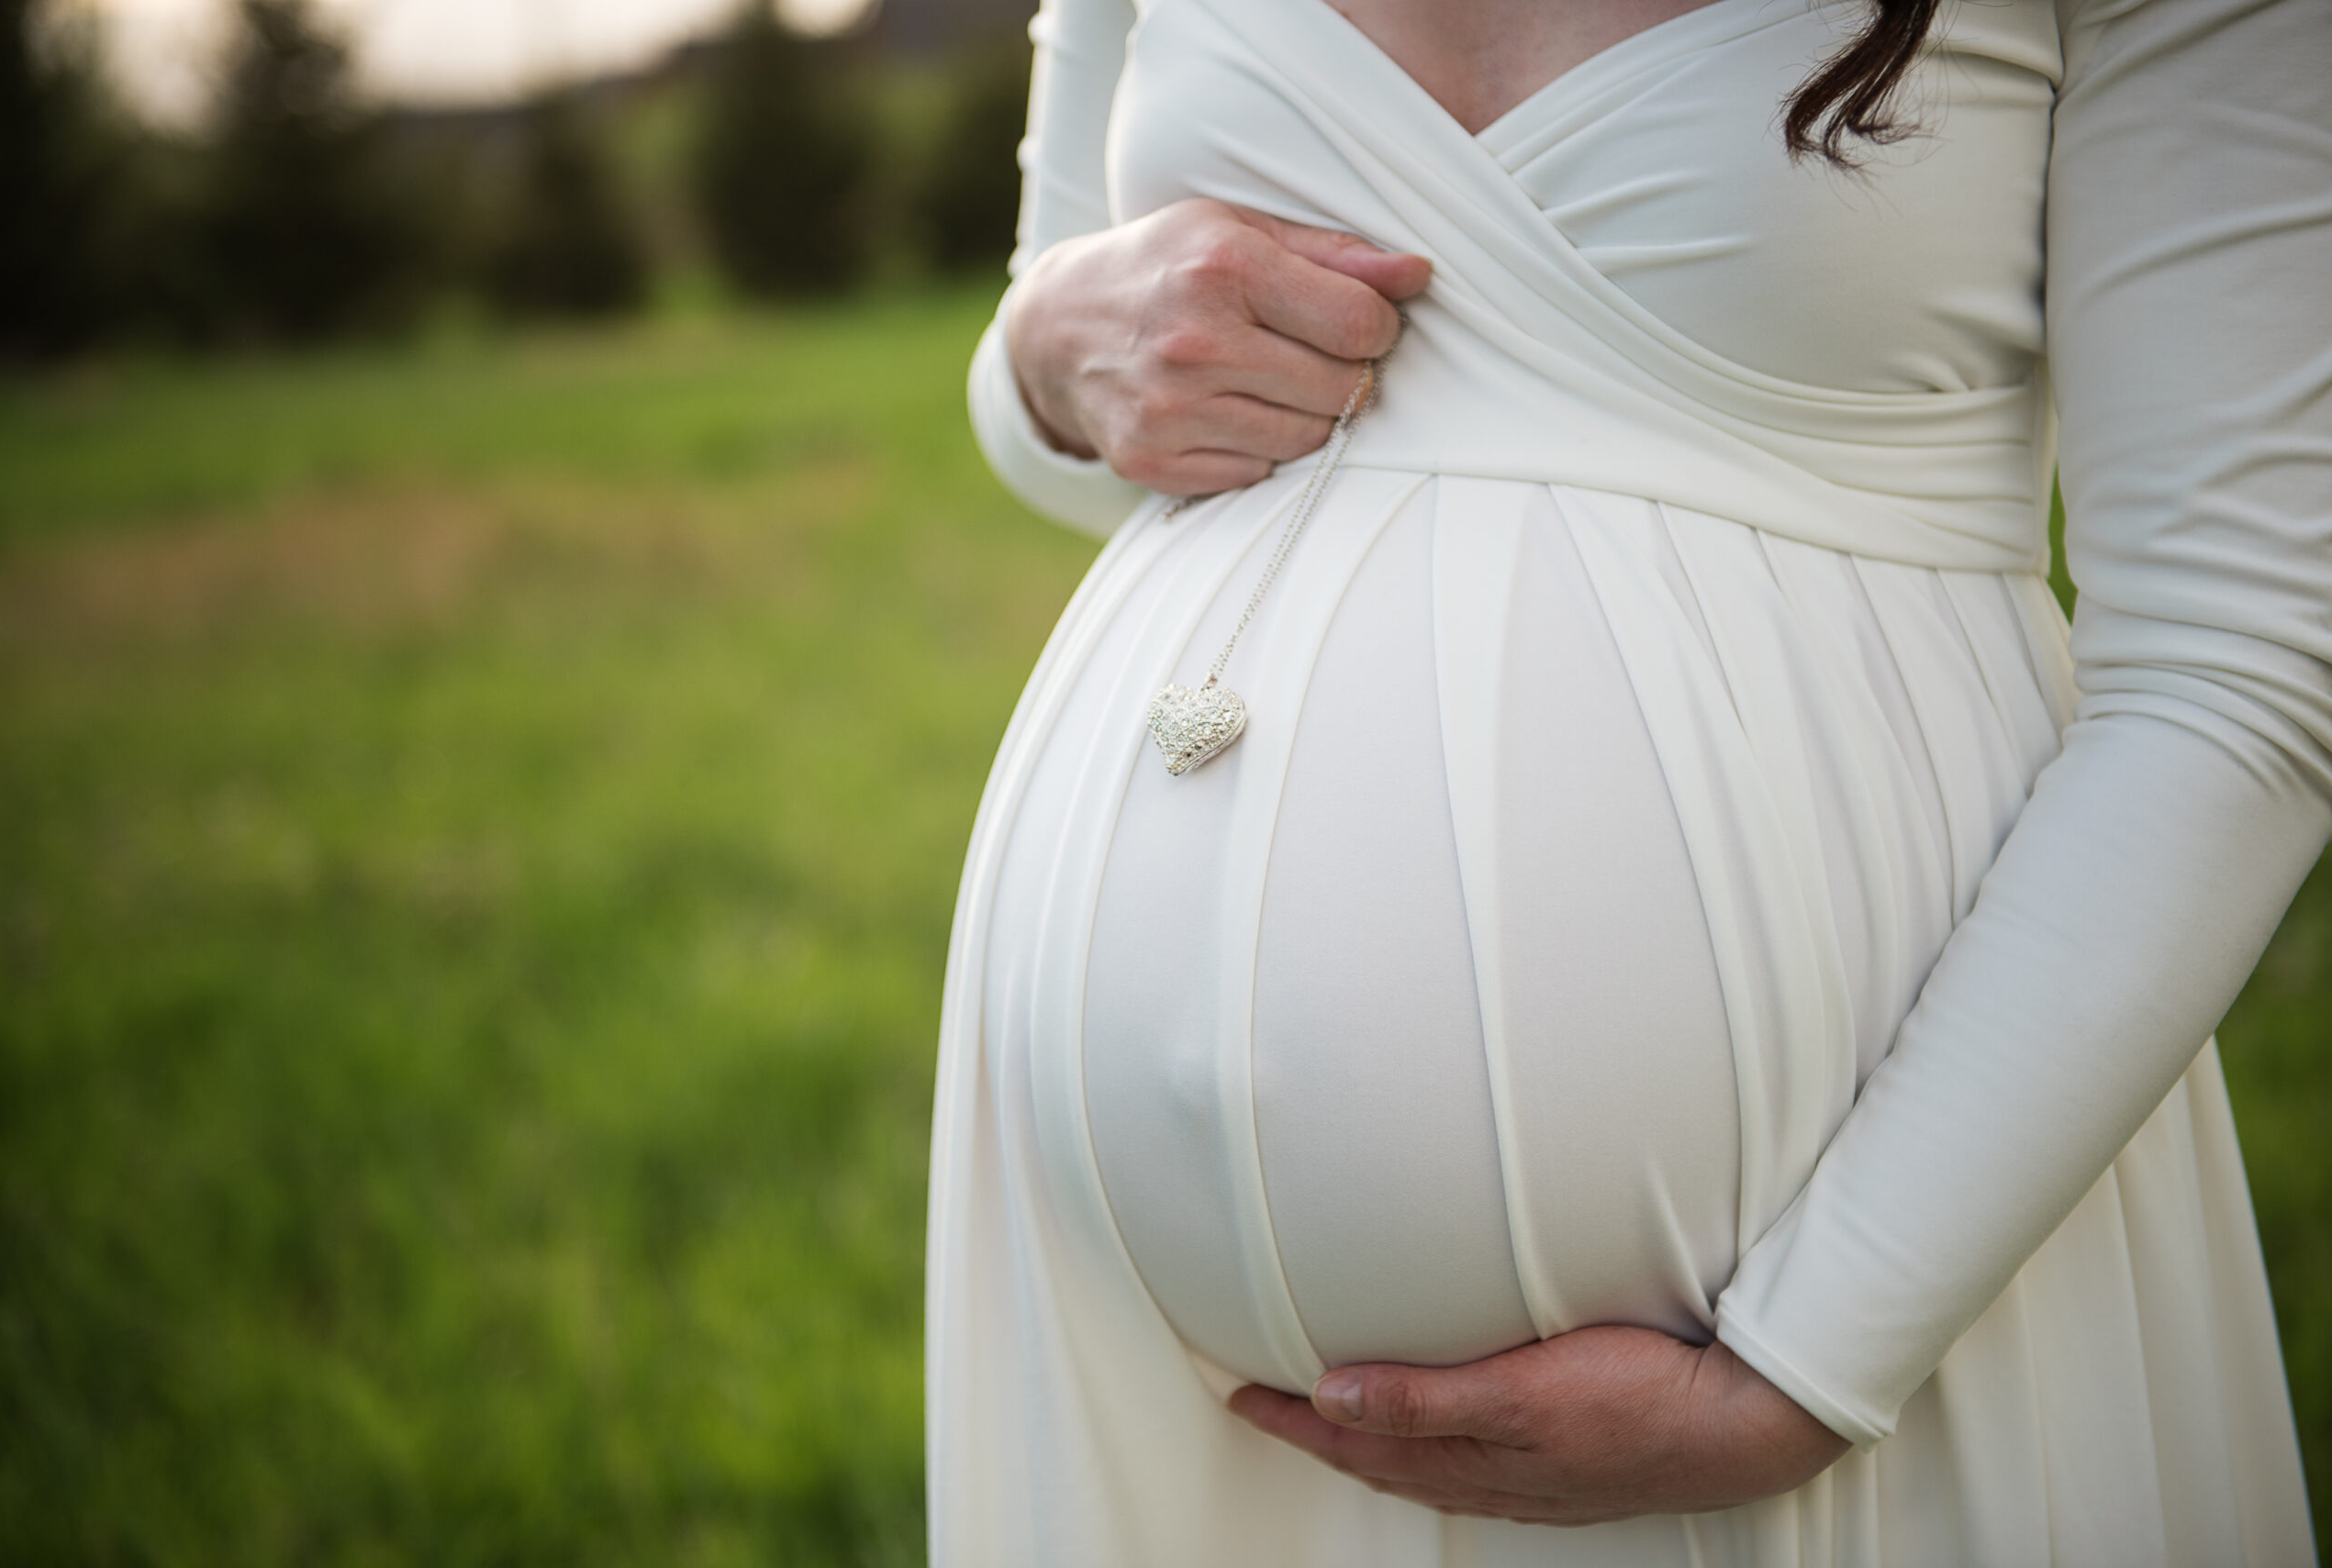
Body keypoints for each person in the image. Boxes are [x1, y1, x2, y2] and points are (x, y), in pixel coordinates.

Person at [929, 0, 2330, 1559]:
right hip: (1168, 1379)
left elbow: (2239, 658)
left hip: (1881, 1266)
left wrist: (1813, 1358)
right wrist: (1056, 347)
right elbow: (1044, 410)